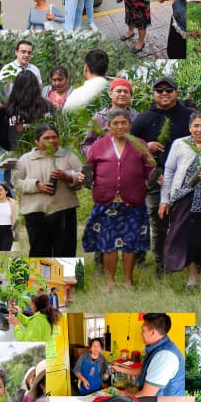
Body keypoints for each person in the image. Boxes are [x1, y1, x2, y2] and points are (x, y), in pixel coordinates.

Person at [82, 109, 153, 290]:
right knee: (108, 244)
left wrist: (155, 177)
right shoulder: (99, 145)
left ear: (130, 125)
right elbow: (89, 168)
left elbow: (149, 168)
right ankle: (110, 281)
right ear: (109, 126)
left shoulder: (139, 144)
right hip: (107, 202)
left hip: (132, 202)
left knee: (130, 243)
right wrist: (85, 178)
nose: (120, 126)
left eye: (124, 123)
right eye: (116, 123)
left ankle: (128, 280)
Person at [130, 76, 194, 277]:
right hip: (155, 175)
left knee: (184, 221)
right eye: (159, 90)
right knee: (159, 223)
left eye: (169, 90)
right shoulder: (143, 118)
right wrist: (145, 146)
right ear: (153, 94)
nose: (164, 94)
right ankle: (161, 264)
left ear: (177, 93)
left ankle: (182, 261)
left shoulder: (189, 116)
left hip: (185, 176)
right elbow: (130, 146)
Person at [159, 112, 201, 291]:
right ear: (190, 127)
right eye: (196, 126)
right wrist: (164, 199)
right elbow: (169, 172)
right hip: (182, 200)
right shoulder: (180, 144)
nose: (199, 129)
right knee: (186, 239)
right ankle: (192, 278)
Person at [14, 124, 84, 256]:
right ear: (36, 141)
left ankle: (65, 277)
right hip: (35, 212)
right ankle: (42, 277)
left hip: (64, 210)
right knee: (39, 250)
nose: (51, 141)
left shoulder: (68, 156)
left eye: (54, 137)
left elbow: (83, 177)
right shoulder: (25, 159)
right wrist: (36, 185)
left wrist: (68, 177)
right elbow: (16, 182)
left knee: (66, 250)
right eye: (46, 138)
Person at [113, 313, 185, 396]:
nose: (141, 334)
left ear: (153, 333)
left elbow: (145, 395)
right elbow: (144, 370)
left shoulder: (164, 357)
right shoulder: (157, 349)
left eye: (143, 330)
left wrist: (122, 393)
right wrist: (119, 369)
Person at [0, 68, 53, 151]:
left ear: (16, 88)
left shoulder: (9, 109)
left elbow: (3, 138)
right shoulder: (47, 106)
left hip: (16, 155)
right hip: (44, 153)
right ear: (36, 87)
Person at [8, 293, 59, 359]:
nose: (30, 304)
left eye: (31, 302)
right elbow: (29, 321)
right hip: (50, 356)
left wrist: (16, 325)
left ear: (35, 305)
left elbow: (26, 343)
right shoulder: (45, 316)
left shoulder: (37, 321)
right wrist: (17, 314)